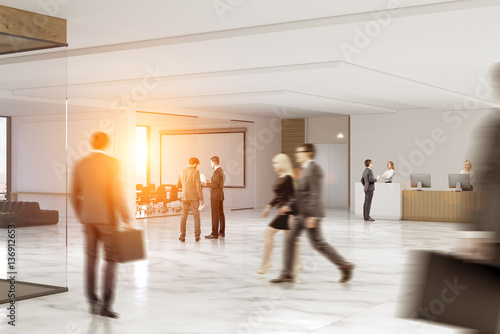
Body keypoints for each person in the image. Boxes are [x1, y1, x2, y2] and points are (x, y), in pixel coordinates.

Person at [270, 144, 354, 284]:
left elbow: (315, 193)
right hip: (300, 214)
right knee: (290, 240)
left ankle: (345, 266)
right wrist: (288, 206)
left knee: (318, 244)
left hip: (310, 214)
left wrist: (313, 216)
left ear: (308, 153)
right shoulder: (305, 169)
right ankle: (287, 274)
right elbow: (302, 195)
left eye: (299, 152)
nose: (297, 155)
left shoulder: (314, 169)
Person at [71, 131, 133, 319]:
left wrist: (83, 215)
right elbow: (116, 193)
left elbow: (74, 195)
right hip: (107, 220)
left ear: (92, 144)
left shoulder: (80, 164)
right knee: (111, 260)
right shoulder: (113, 163)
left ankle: (92, 302)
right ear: (107, 144)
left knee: (90, 260)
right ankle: (105, 305)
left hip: (88, 219)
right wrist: (126, 217)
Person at [257, 154, 301, 275]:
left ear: (282, 163)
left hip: (287, 213)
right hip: (282, 211)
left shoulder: (288, 178)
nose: (274, 165)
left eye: (276, 163)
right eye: (273, 163)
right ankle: (298, 264)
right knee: (290, 239)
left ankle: (265, 263)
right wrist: (269, 206)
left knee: (267, 232)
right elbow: (278, 196)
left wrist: (289, 210)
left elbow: (294, 197)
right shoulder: (280, 177)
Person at [177, 157, 204, 242]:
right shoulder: (196, 172)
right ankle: (197, 236)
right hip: (194, 198)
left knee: (183, 216)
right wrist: (202, 198)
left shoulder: (181, 172)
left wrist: (185, 186)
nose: (197, 166)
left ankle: (182, 236)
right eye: (197, 164)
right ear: (195, 164)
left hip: (184, 197)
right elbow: (198, 187)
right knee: (196, 216)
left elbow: (178, 185)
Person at [204, 156, 225, 239]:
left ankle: (214, 233)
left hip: (215, 196)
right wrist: (210, 181)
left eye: (210, 163)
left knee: (215, 215)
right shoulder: (221, 171)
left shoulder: (216, 172)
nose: (210, 165)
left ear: (214, 162)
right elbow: (217, 183)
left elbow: (214, 185)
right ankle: (222, 232)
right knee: (221, 214)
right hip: (220, 195)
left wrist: (205, 184)